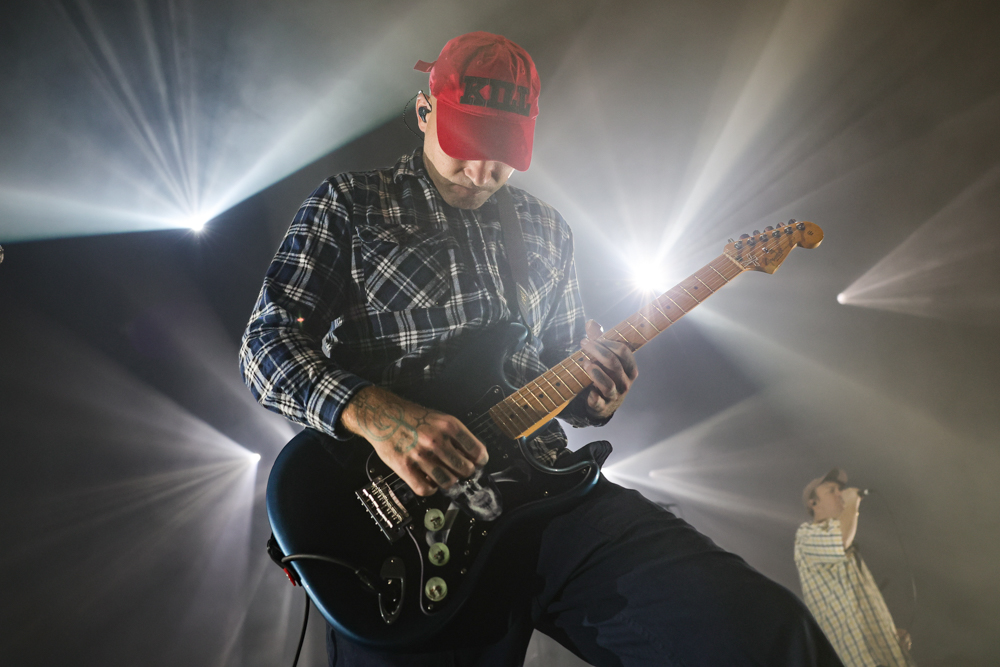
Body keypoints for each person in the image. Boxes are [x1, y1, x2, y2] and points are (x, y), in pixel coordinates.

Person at [241, 31, 842, 666]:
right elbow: (265, 343)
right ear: (424, 111)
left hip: (545, 497)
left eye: (502, 153)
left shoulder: (545, 230)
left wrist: (597, 393)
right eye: (467, 143)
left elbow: (561, 372)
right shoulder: (351, 204)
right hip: (402, 527)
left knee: (763, 632)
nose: (482, 173)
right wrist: (382, 416)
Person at [795, 468, 916, 667]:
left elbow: (857, 607)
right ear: (813, 503)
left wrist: (889, 635)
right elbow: (840, 539)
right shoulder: (806, 536)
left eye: (840, 489)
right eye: (831, 490)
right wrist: (853, 502)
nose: (840, 494)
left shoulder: (849, 550)